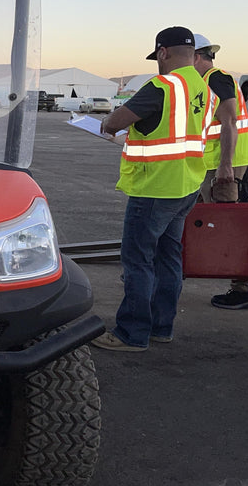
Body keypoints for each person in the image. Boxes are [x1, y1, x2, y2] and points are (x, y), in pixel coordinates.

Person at [91, 26, 214, 352]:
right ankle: (161, 327)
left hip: (156, 187)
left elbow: (115, 121)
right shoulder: (203, 88)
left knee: (138, 260)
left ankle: (132, 333)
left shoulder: (163, 85)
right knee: (168, 258)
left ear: (163, 53)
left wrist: (108, 123)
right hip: (187, 185)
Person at [192, 33, 248, 309]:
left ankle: (246, 287)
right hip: (208, 163)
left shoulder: (216, 79)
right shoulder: (205, 82)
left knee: (226, 225)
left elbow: (229, 123)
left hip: (221, 165)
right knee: (194, 217)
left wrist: (225, 166)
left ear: (196, 57)